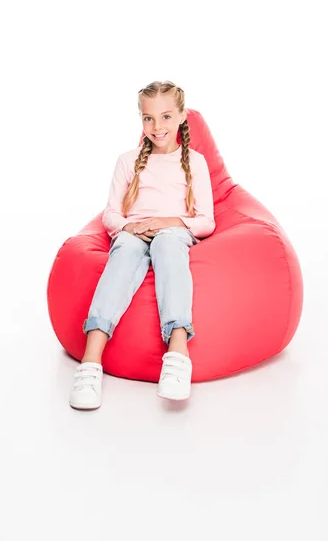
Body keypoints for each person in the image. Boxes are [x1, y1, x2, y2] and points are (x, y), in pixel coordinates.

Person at [69, 80, 216, 410]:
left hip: (174, 232)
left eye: (165, 117)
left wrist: (168, 223)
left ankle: (177, 353)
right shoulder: (127, 160)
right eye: (148, 118)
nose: (157, 126)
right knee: (124, 251)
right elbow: (110, 213)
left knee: (166, 244)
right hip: (134, 231)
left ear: (180, 117)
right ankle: (91, 364)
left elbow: (207, 221)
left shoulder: (195, 162)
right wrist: (129, 227)